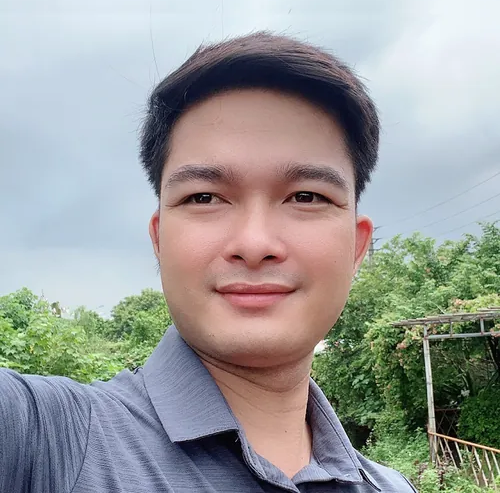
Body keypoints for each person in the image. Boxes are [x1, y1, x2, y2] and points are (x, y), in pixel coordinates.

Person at [0, 31, 417, 492]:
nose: (255, 243)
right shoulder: (43, 443)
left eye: (306, 196)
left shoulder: (391, 487)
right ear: (159, 239)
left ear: (357, 247)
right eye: (204, 197)